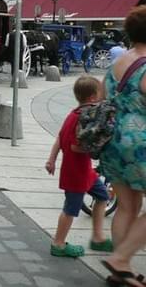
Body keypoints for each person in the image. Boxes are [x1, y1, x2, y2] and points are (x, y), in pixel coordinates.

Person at [99, 5, 146, 286]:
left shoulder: (117, 63)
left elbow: (103, 97)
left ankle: (122, 270)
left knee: (127, 206)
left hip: (114, 141)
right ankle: (121, 259)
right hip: (139, 143)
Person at [45, 75, 112, 258]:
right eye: (100, 94)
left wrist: (51, 159)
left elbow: (60, 138)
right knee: (70, 209)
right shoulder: (82, 119)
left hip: (85, 171)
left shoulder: (72, 114)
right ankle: (58, 244)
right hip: (76, 173)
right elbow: (75, 146)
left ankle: (98, 237)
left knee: (103, 196)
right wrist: (98, 147)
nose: (102, 97)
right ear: (92, 98)